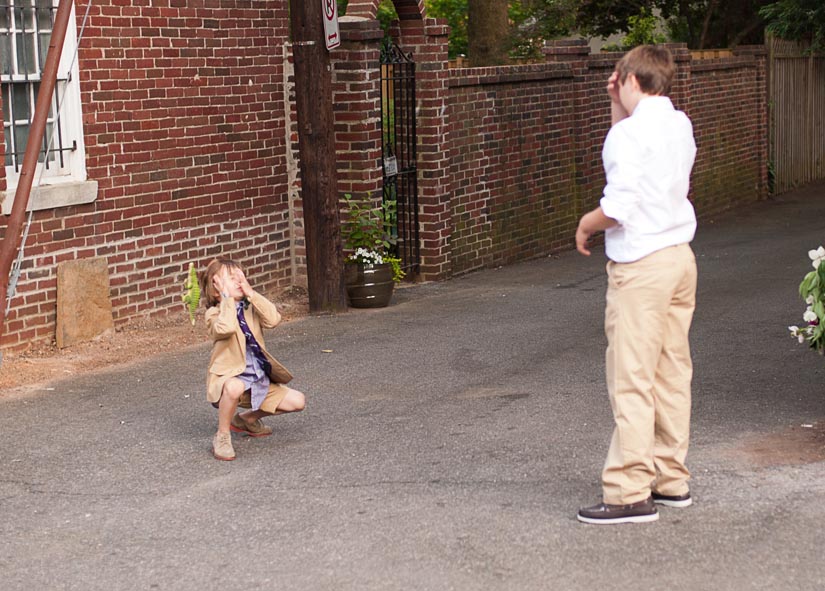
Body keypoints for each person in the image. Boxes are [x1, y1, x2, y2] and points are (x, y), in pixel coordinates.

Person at [574, 45, 698, 524]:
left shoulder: (628, 135)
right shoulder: (678, 123)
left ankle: (628, 492)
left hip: (641, 266)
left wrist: (587, 223)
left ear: (627, 78)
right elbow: (629, 159)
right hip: (679, 260)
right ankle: (670, 480)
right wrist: (615, 104)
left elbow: (618, 202)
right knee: (671, 374)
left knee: (631, 379)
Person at [200, 257, 305, 461]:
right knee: (235, 386)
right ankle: (222, 435)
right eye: (231, 278)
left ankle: (245, 419)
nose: (239, 281)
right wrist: (227, 299)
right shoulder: (214, 313)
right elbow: (226, 327)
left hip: (257, 380)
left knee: (298, 402)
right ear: (216, 290)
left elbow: (273, 319)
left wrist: (251, 293)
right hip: (229, 382)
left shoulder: (250, 307)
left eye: (240, 276)